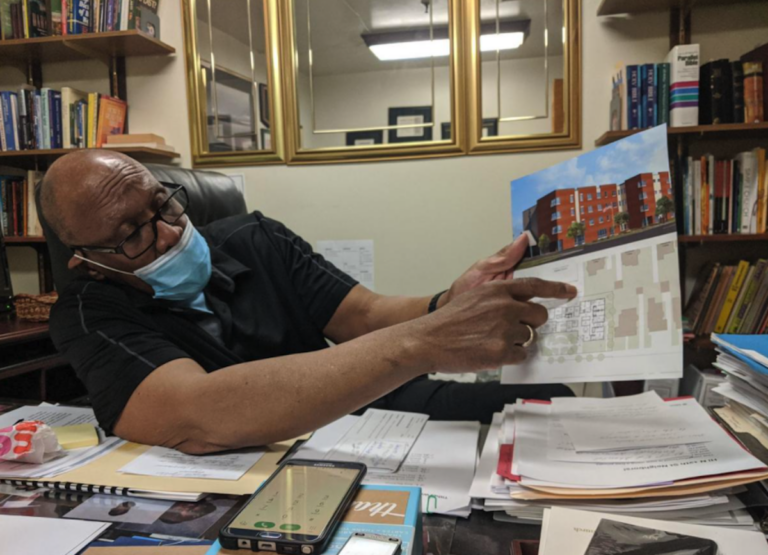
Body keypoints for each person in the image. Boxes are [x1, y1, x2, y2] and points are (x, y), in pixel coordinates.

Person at [41, 150, 577, 455]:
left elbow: (365, 315)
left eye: (164, 205)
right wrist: (425, 341)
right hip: (257, 464)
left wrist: (445, 301)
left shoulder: (256, 239)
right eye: (132, 233)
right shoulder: (89, 312)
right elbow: (196, 414)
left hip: (363, 418)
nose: (167, 234)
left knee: (551, 404)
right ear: (88, 260)